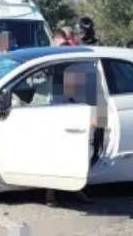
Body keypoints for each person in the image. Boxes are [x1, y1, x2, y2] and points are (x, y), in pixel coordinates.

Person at [44, 62, 103, 206]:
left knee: (79, 160)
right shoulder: (59, 94)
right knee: (58, 159)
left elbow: (97, 113)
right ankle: (50, 193)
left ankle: (76, 190)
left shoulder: (86, 90)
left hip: (81, 129)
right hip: (65, 129)